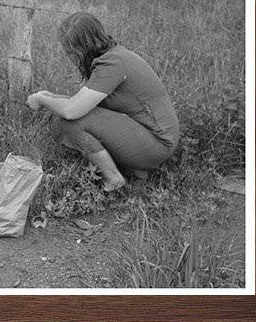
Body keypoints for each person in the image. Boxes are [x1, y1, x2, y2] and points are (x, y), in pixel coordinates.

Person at [27, 12, 180, 191]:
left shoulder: (111, 65)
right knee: (65, 118)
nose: (68, 57)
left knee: (69, 123)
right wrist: (50, 97)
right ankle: (131, 166)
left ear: (81, 49)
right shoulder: (112, 57)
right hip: (150, 136)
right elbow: (83, 103)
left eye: (69, 52)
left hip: (158, 144)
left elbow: (72, 110)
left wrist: (41, 99)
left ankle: (114, 179)